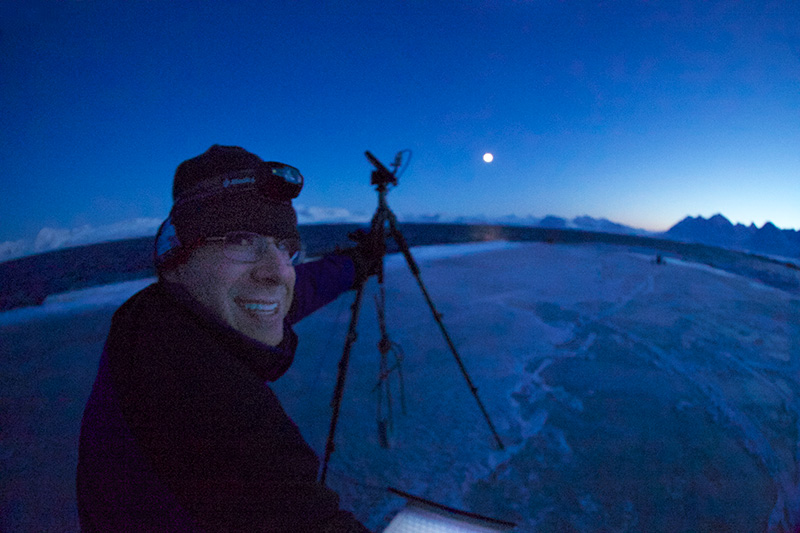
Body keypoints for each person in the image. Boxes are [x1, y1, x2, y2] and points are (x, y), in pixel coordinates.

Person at [77, 145, 376, 531]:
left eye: (284, 247)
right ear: (177, 258)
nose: (277, 273)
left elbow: (294, 291)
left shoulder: (154, 315)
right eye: (240, 239)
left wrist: (352, 265)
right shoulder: (203, 398)